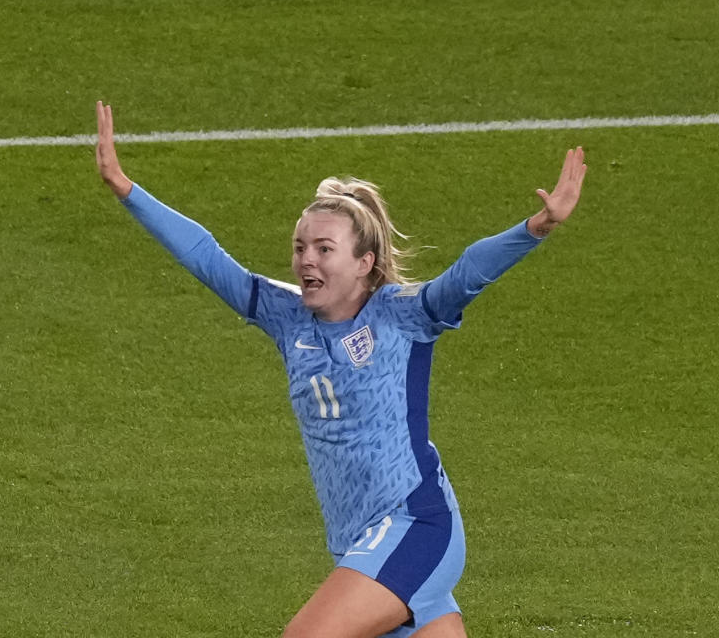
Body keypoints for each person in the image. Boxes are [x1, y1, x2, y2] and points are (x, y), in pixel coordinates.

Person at [95, 101, 587, 638]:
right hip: (359, 541)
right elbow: (206, 256)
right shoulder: (287, 318)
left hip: (413, 524)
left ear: (364, 262)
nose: (306, 259)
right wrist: (125, 188)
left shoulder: (400, 315)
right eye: (301, 247)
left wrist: (536, 228)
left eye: (324, 248)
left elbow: (465, 275)